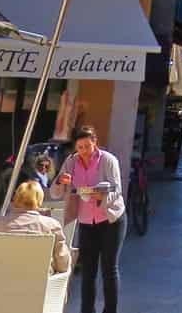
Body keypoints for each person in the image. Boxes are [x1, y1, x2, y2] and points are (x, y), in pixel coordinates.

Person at [50, 125, 126, 313]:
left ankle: (110, 310)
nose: (84, 151)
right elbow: (55, 191)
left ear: (95, 143)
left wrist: (102, 197)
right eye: (80, 147)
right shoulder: (71, 161)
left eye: (87, 146)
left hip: (110, 220)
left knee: (109, 269)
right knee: (88, 272)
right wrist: (61, 181)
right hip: (86, 222)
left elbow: (117, 189)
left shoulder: (108, 160)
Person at [0, 180, 71, 273]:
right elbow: (63, 265)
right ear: (40, 200)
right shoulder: (51, 226)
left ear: (16, 199)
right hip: (38, 288)